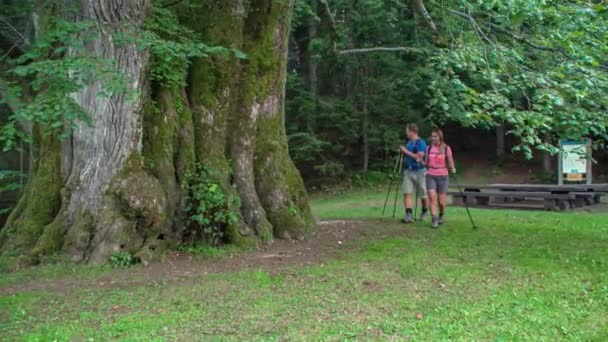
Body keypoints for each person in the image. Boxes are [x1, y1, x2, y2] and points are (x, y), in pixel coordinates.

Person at [423, 128, 456, 229]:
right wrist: (420, 161)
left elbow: (450, 161)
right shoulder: (428, 148)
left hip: (443, 175)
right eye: (432, 136)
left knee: (441, 201)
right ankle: (434, 219)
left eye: (435, 136)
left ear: (440, 137)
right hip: (430, 174)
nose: (433, 138)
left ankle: (441, 213)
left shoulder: (446, 148)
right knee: (432, 197)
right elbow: (426, 162)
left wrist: (452, 168)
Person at [399, 123, 428, 223]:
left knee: (423, 195)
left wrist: (405, 151)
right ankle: (408, 215)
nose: (406, 133)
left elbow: (419, 157)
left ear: (411, 132)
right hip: (408, 170)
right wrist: (403, 151)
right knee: (407, 193)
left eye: (407, 131)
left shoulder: (421, 142)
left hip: (420, 171)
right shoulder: (409, 143)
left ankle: (424, 211)